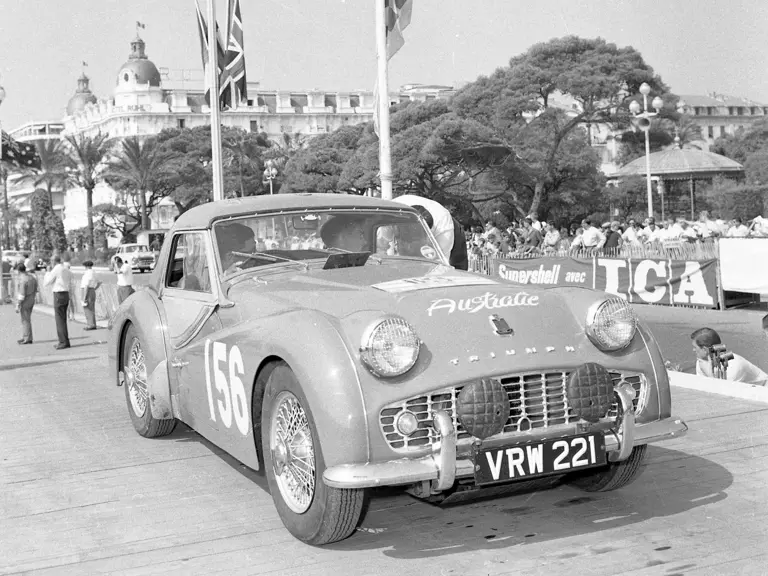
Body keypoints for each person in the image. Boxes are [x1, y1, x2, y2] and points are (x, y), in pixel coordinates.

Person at [691, 327, 767, 386]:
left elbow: (724, 395)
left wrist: (709, 374)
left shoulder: (734, 366)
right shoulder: (702, 361)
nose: (693, 350)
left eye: (695, 347)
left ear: (705, 349)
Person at [44, 256, 73, 350]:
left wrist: (48, 271)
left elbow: (47, 282)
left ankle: (63, 342)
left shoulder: (56, 269)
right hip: (66, 293)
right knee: (63, 319)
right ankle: (65, 340)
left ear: (53, 261)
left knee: (59, 319)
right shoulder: (66, 269)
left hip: (58, 294)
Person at [14, 263, 38, 345]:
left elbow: (22, 294)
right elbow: (36, 288)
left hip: (25, 300)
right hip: (31, 299)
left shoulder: (23, 279)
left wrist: (18, 304)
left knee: (25, 320)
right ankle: (27, 336)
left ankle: (27, 338)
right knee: (27, 319)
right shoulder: (31, 277)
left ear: (18, 271)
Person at [80, 260, 101, 330]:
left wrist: (84, 297)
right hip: (92, 290)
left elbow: (86, 285)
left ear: (86, 266)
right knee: (92, 308)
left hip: (87, 291)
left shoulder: (87, 273)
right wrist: (94, 289)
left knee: (87, 308)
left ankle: (90, 325)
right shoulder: (94, 272)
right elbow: (99, 282)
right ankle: (93, 324)